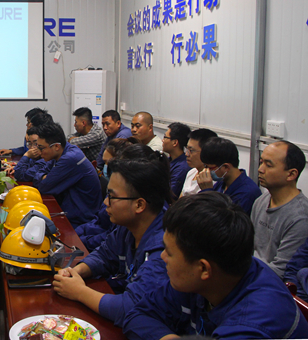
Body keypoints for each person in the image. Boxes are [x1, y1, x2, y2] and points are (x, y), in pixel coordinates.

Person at [123, 192, 308, 340]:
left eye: (169, 252)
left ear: (204, 269)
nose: (162, 257)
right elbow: (137, 315)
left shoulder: (252, 323)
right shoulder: (206, 274)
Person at [53, 149, 171, 326]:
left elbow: (131, 309)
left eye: (112, 197)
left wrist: (79, 292)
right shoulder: (129, 224)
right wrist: (76, 271)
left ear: (139, 205)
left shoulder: (164, 249)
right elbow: (105, 254)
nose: (105, 202)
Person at [251, 140, 308, 279]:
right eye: (261, 162)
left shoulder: (300, 217)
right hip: (251, 272)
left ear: (291, 174)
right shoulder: (261, 201)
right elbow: (247, 246)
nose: (260, 169)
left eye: (268, 165)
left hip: (269, 283)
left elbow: (281, 271)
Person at [33, 122, 103, 228]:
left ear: (56, 146)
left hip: (81, 221)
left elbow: (44, 187)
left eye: (41, 148)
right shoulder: (61, 151)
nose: (39, 152)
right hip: (70, 210)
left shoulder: (70, 158)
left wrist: (44, 177)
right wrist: (43, 176)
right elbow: (39, 174)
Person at [75, 138, 139, 251]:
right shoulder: (113, 189)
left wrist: (81, 240)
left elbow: (110, 237)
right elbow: (97, 219)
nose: (106, 167)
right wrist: (77, 233)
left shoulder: (126, 196)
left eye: (108, 163)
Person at [197, 137, 261, 215]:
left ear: (226, 167)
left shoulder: (247, 194)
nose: (206, 171)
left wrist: (207, 192)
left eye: (210, 168)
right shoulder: (223, 182)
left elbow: (218, 219)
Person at [180, 129, 218, 197]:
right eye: (187, 149)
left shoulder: (212, 181)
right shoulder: (191, 173)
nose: (186, 154)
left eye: (191, 150)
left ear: (206, 152)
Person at [161, 122, 191, 199]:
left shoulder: (182, 168)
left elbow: (170, 195)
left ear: (175, 142)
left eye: (165, 137)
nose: (162, 140)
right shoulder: (169, 160)